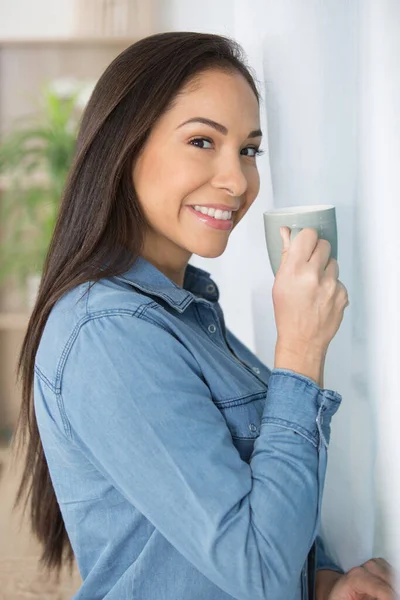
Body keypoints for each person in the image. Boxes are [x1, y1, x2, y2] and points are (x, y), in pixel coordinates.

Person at [13, 32, 395, 600]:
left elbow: (212, 532)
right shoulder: (108, 334)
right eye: (201, 141)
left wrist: (320, 581)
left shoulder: (185, 313)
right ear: (125, 146)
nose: (238, 181)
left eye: (248, 149)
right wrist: (301, 351)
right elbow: (255, 572)